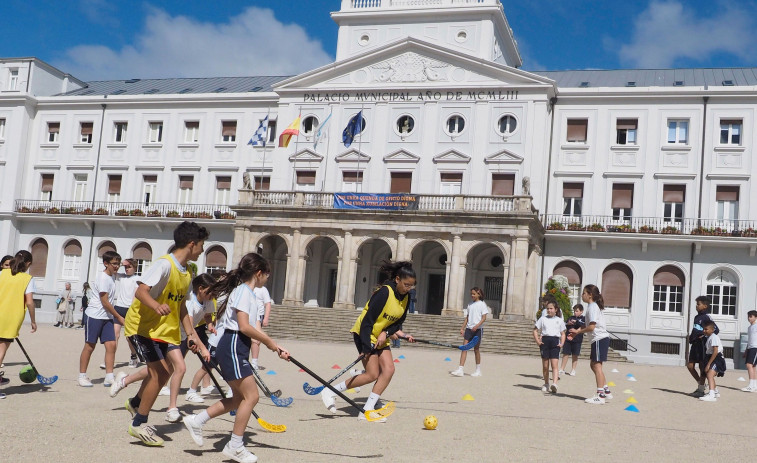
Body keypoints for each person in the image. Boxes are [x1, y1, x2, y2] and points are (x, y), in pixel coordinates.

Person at [183, 253, 290, 463]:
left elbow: (250, 328)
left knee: (238, 399)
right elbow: (244, 326)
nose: (268, 277)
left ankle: (197, 420)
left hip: (237, 347)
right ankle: (235, 445)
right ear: (259, 273)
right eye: (267, 273)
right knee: (252, 397)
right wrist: (269, 342)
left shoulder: (247, 293)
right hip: (233, 345)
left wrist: (275, 346)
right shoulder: (243, 292)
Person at [122, 221, 209, 446]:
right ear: (192, 244)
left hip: (163, 331)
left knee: (162, 373)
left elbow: (181, 306)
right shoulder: (164, 265)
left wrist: (190, 334)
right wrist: (155, 306)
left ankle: (135, 403)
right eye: (201, 245)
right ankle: (138, 424)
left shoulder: (188, 273)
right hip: (141, 327)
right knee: (159, 373)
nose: (202, 250)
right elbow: (141, 291)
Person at [111, 273, 217, 422]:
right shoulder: (190, 302)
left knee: (161, 370)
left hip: (182, 336)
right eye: (211, 291)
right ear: (201, 289)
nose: (214, 295)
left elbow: (206, 317)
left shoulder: (208, 300)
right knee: (175, 369)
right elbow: (191, 327)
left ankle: (127, 385)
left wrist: (210, 324)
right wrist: (203, 348)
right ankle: (172, 408)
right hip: (172, 334)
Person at [319, 260, 416, 422]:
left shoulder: (406, 297)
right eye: (406, 284)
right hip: (364, 333)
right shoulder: (384, 293)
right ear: (397, 279)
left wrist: (386, 332)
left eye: (412, 286)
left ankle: (367, 409)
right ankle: (330, 391)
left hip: (380, 335)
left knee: (389, 370)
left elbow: (398, 323)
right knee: (372, 374)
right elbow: (367, 321)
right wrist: (365, 346)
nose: (409, 289)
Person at [78, 251, 122, 388]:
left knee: (111, 345)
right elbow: (105, 302)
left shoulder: (112, 276)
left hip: (106, 317)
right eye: (114, 264)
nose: (117, 266)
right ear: (106, 264)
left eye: (118, 263)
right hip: (95, 315)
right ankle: (82, 376)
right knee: (90, 346)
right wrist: (119, 317)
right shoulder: (103, 278)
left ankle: (109, 376)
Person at [0, 251, 37, 397]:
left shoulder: (2, 273)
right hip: (10, 319)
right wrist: (33, 321)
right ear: (28, 264)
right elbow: (29, 302)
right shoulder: (27, 279)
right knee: (1, 351)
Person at [569, 284, 611, 404]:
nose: (582, 295)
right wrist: (577, 331)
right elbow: (588, 325)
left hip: (599, 338)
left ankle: (600, 395)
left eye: (584, 293)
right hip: (598, 339)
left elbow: (591, 327)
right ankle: (606, 391)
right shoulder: (592, 307)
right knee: (593, 365)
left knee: (597, 366)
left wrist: (578, 332)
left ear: (590, 295)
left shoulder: (592, 307)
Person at [450, 287, 489, 377]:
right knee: (464, 348)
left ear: (478, 294)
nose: (472, 295)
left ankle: (478, 370)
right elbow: (467, 318)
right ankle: (460, 369)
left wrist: (477, 326)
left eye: (474, 294)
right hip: (469, 329)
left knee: (476, 349)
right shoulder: (470, 304)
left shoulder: (482, 304)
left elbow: (484, 318)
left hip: (478, 330)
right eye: (471, 294)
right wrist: (462, 328)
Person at [687, 296, 719, 396]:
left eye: (698, 304)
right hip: (695, 345)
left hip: (702, 346)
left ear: (705, 306)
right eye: (696, 304)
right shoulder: (696, 317)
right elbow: (695, 330)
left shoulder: (707, 317)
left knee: (702, 367)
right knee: (690, 366)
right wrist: (692, 338)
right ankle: (701, 384)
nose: (696, 306)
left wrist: (703, 335)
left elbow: (716, 330)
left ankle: (703, 389)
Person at [534, 300, 566, 393]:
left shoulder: (559, 320)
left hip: (555, 342)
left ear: (556, 310)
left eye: (551, 308)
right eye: (547, 308)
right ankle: (546, 383)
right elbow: (535, 330)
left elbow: (563, 334)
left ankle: (555, 383)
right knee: (545, 365)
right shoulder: (543, 319)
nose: (549, 310)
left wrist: (562, 343)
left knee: (554, 365)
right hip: (545, 342)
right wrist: (538, 341)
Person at [113, 259, 140, 368]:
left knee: (129, 337)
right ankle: (110, 359)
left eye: (129, 267)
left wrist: (132, 309)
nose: (127, 269)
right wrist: (120, 264)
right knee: (115, 335)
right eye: (125, 267)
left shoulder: (137, 279)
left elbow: (136, 295)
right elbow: (113, 271)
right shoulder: (122, 277)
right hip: (119, 307)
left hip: (130, 309)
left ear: (134, 267)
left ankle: (134, 355)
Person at [699, 320, 726, 402]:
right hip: (710, 357)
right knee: (708, 374)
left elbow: (715, 351)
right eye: (703, 329)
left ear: (712, 329)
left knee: (710, 374)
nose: (704, 331)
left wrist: (708, 364)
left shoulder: (714, 337)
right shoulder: (709, 337)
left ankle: (711, 395)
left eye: (706, 329)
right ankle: (715, 391)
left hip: (716, 358)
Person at [250, 284, 272, 370]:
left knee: (256, 339)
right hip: (249, 314)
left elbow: (268, 304)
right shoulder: (246, 288)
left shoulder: (262, 289)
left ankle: (254, 362)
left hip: (258, 315)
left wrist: (266, 318)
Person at [559, 304, 585, 376]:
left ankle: (573, 370)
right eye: (574, 311)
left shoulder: (583, 318)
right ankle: (562, 369)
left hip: (577, 339)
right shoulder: (571, 317)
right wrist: (568, 323)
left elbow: (584, 325)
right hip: (568, 338)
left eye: (577, 311)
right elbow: (564, 324)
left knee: (575, 355)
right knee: (565, 353)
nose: (575, 313)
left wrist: (576, 322)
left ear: (581, 311)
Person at [742, 310, 757, 393]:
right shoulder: (749, 327)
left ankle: (751, 385)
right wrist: (746, 350)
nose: (749, 318)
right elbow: (750, 340)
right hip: (750, 348)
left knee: (749, 365)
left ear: (755, 317)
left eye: (751, 316)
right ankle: (754, 385)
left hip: (755, 348)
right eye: (748, 316)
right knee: (753, 366)